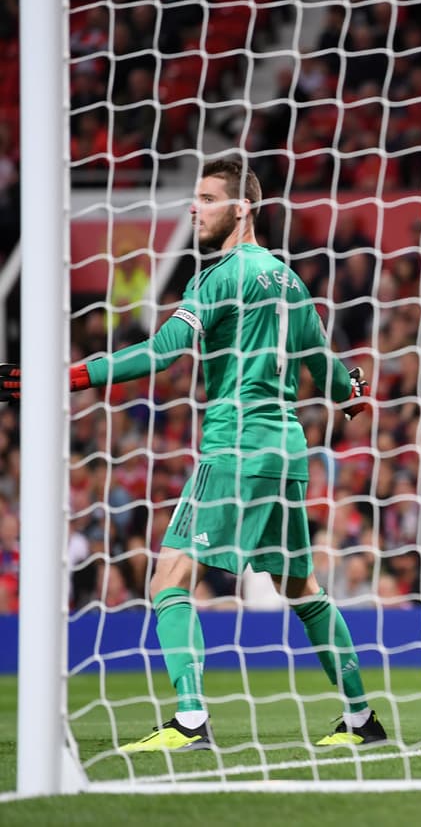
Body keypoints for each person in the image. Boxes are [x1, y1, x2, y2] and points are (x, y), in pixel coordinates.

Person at [0, 157, 385, 751]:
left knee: (169, 577)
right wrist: (355, 394)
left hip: (236, 444)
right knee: (301, 584)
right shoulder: (291, 281)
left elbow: (162, 351)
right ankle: (362, 720)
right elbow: (331, 378)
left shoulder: (219, 277)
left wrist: (70, 375)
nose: (194, 207)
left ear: (241, 207)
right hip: (287, 451)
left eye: (206, 198)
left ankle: (190, 719)